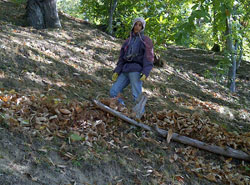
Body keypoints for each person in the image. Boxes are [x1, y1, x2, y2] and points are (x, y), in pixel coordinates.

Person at [110, 17, 154, 108]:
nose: (137, 27)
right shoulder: (127, 41)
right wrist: (117, 71)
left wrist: (146, 72)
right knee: (113, 91)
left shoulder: (146, 40)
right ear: (133, 25)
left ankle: (138, 115)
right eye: (136, 24)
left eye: (140, 25)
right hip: (125, 69)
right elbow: (121, 58)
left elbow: (148, 57)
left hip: (136, 71)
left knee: (137, 96)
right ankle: (122, 109)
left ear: (142, 27)